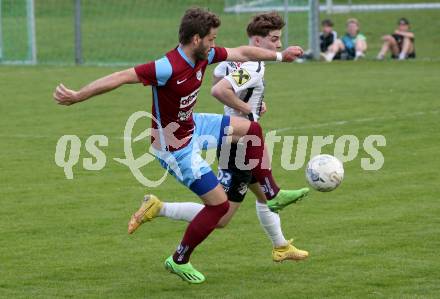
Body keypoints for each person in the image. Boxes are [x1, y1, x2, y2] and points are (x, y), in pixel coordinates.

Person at [53, 8, 305, 284]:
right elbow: (121, 77)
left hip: (193, 126)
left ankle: (273, 193)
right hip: (174, 147)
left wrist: (281, 56)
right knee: (219, 208)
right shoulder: (167, 67)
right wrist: (78, 95)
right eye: (211, 39)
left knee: (251, 129)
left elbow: (243, 53)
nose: (214, 44)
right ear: (196, 39)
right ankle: (179, 258)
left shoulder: (205, 55)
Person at [128, 12, 309, 266]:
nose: (278, 45)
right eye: (274, 39)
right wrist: (248, 110)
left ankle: (280, 246)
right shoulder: (253, 65)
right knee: (222, 215)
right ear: (257, 42)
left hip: (240, 137)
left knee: (262, 195)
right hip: (238, 144)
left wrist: (251, 101)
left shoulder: (238, 63)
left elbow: (218, 76)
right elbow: (219, 89)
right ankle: (160, 208)